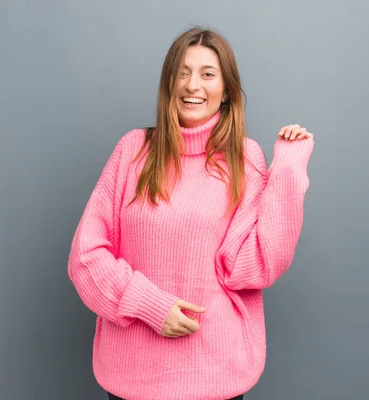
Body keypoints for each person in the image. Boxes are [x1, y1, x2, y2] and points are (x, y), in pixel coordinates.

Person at [68, 26, 314, 400]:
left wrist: (289, 170)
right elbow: (85, 257)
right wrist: (150, 305)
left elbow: (258, 264)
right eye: (182, 72)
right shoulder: (133, 150)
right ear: (169, 83)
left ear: (227, 89)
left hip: (215, 376)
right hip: (133, 378)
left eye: (207, 73)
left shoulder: (245, 158)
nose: (192, 84)